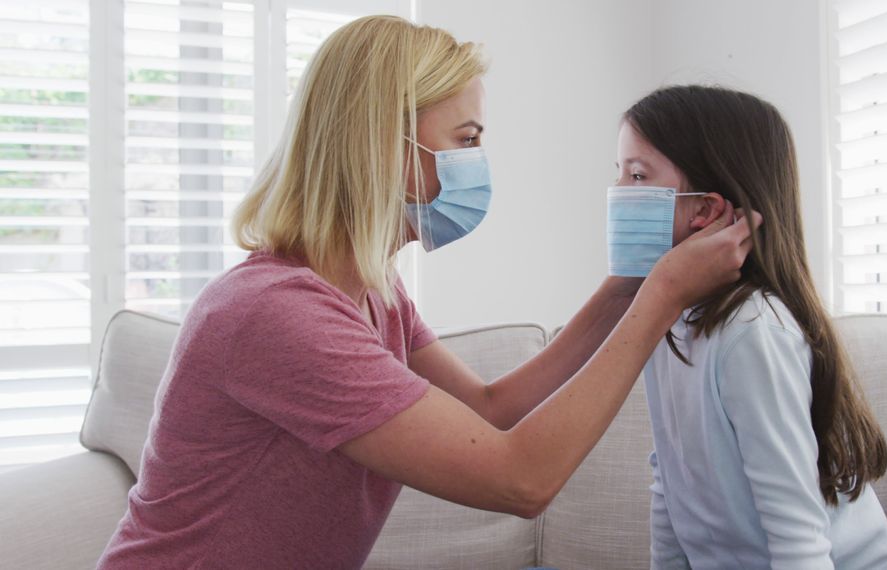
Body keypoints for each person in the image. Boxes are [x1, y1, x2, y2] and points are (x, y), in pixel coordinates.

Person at [96, 17, 760, 569]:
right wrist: (662, 299)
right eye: (465, 140)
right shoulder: (273, 313)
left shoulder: (372, 292)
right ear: (382, 142)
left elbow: (490, 408)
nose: (478, 161)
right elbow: (520, 478)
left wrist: (626, 287)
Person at [609, 85, 887, 569]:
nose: (619, 192)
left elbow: (798, 536)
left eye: (637, 175)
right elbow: (669, 482)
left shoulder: (754, 332)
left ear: (706, 210)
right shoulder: (665, 316)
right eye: (618, 173)